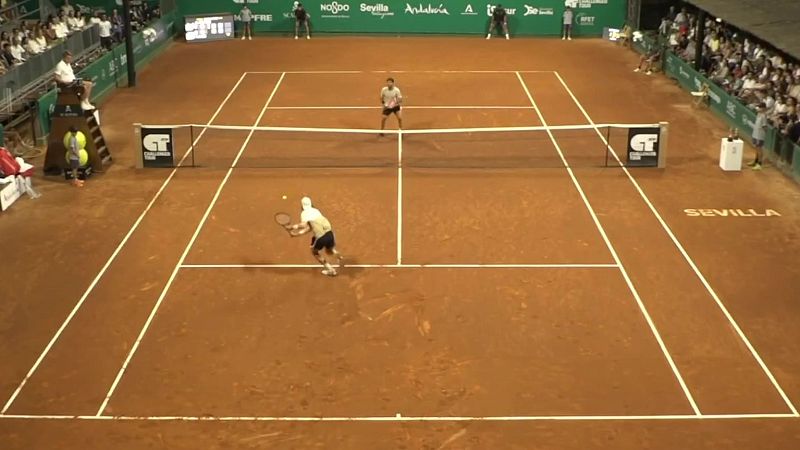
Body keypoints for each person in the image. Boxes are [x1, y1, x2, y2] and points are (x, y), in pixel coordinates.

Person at [286, 197, 344, 277]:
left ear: (302, 206)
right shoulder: (316, 211)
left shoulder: (304, 213)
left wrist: (292, 227)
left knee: (315, 252)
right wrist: (296, 234)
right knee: (329, 251)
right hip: (330, 234)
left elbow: (303, 225)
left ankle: (331, 270)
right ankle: (336, 253)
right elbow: (309, 228)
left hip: (321, 237)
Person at [749, 103, 768, 170]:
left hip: (760, 135)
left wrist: (763, 133)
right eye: (758, 107)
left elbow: (765, 127)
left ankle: (759, 164)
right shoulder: (758, 114)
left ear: (763, 108)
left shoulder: (764, 116)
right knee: (756, 148)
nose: (758, 108)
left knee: (759, 149)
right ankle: (755, 161)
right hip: (755, 134)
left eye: (760, 107)